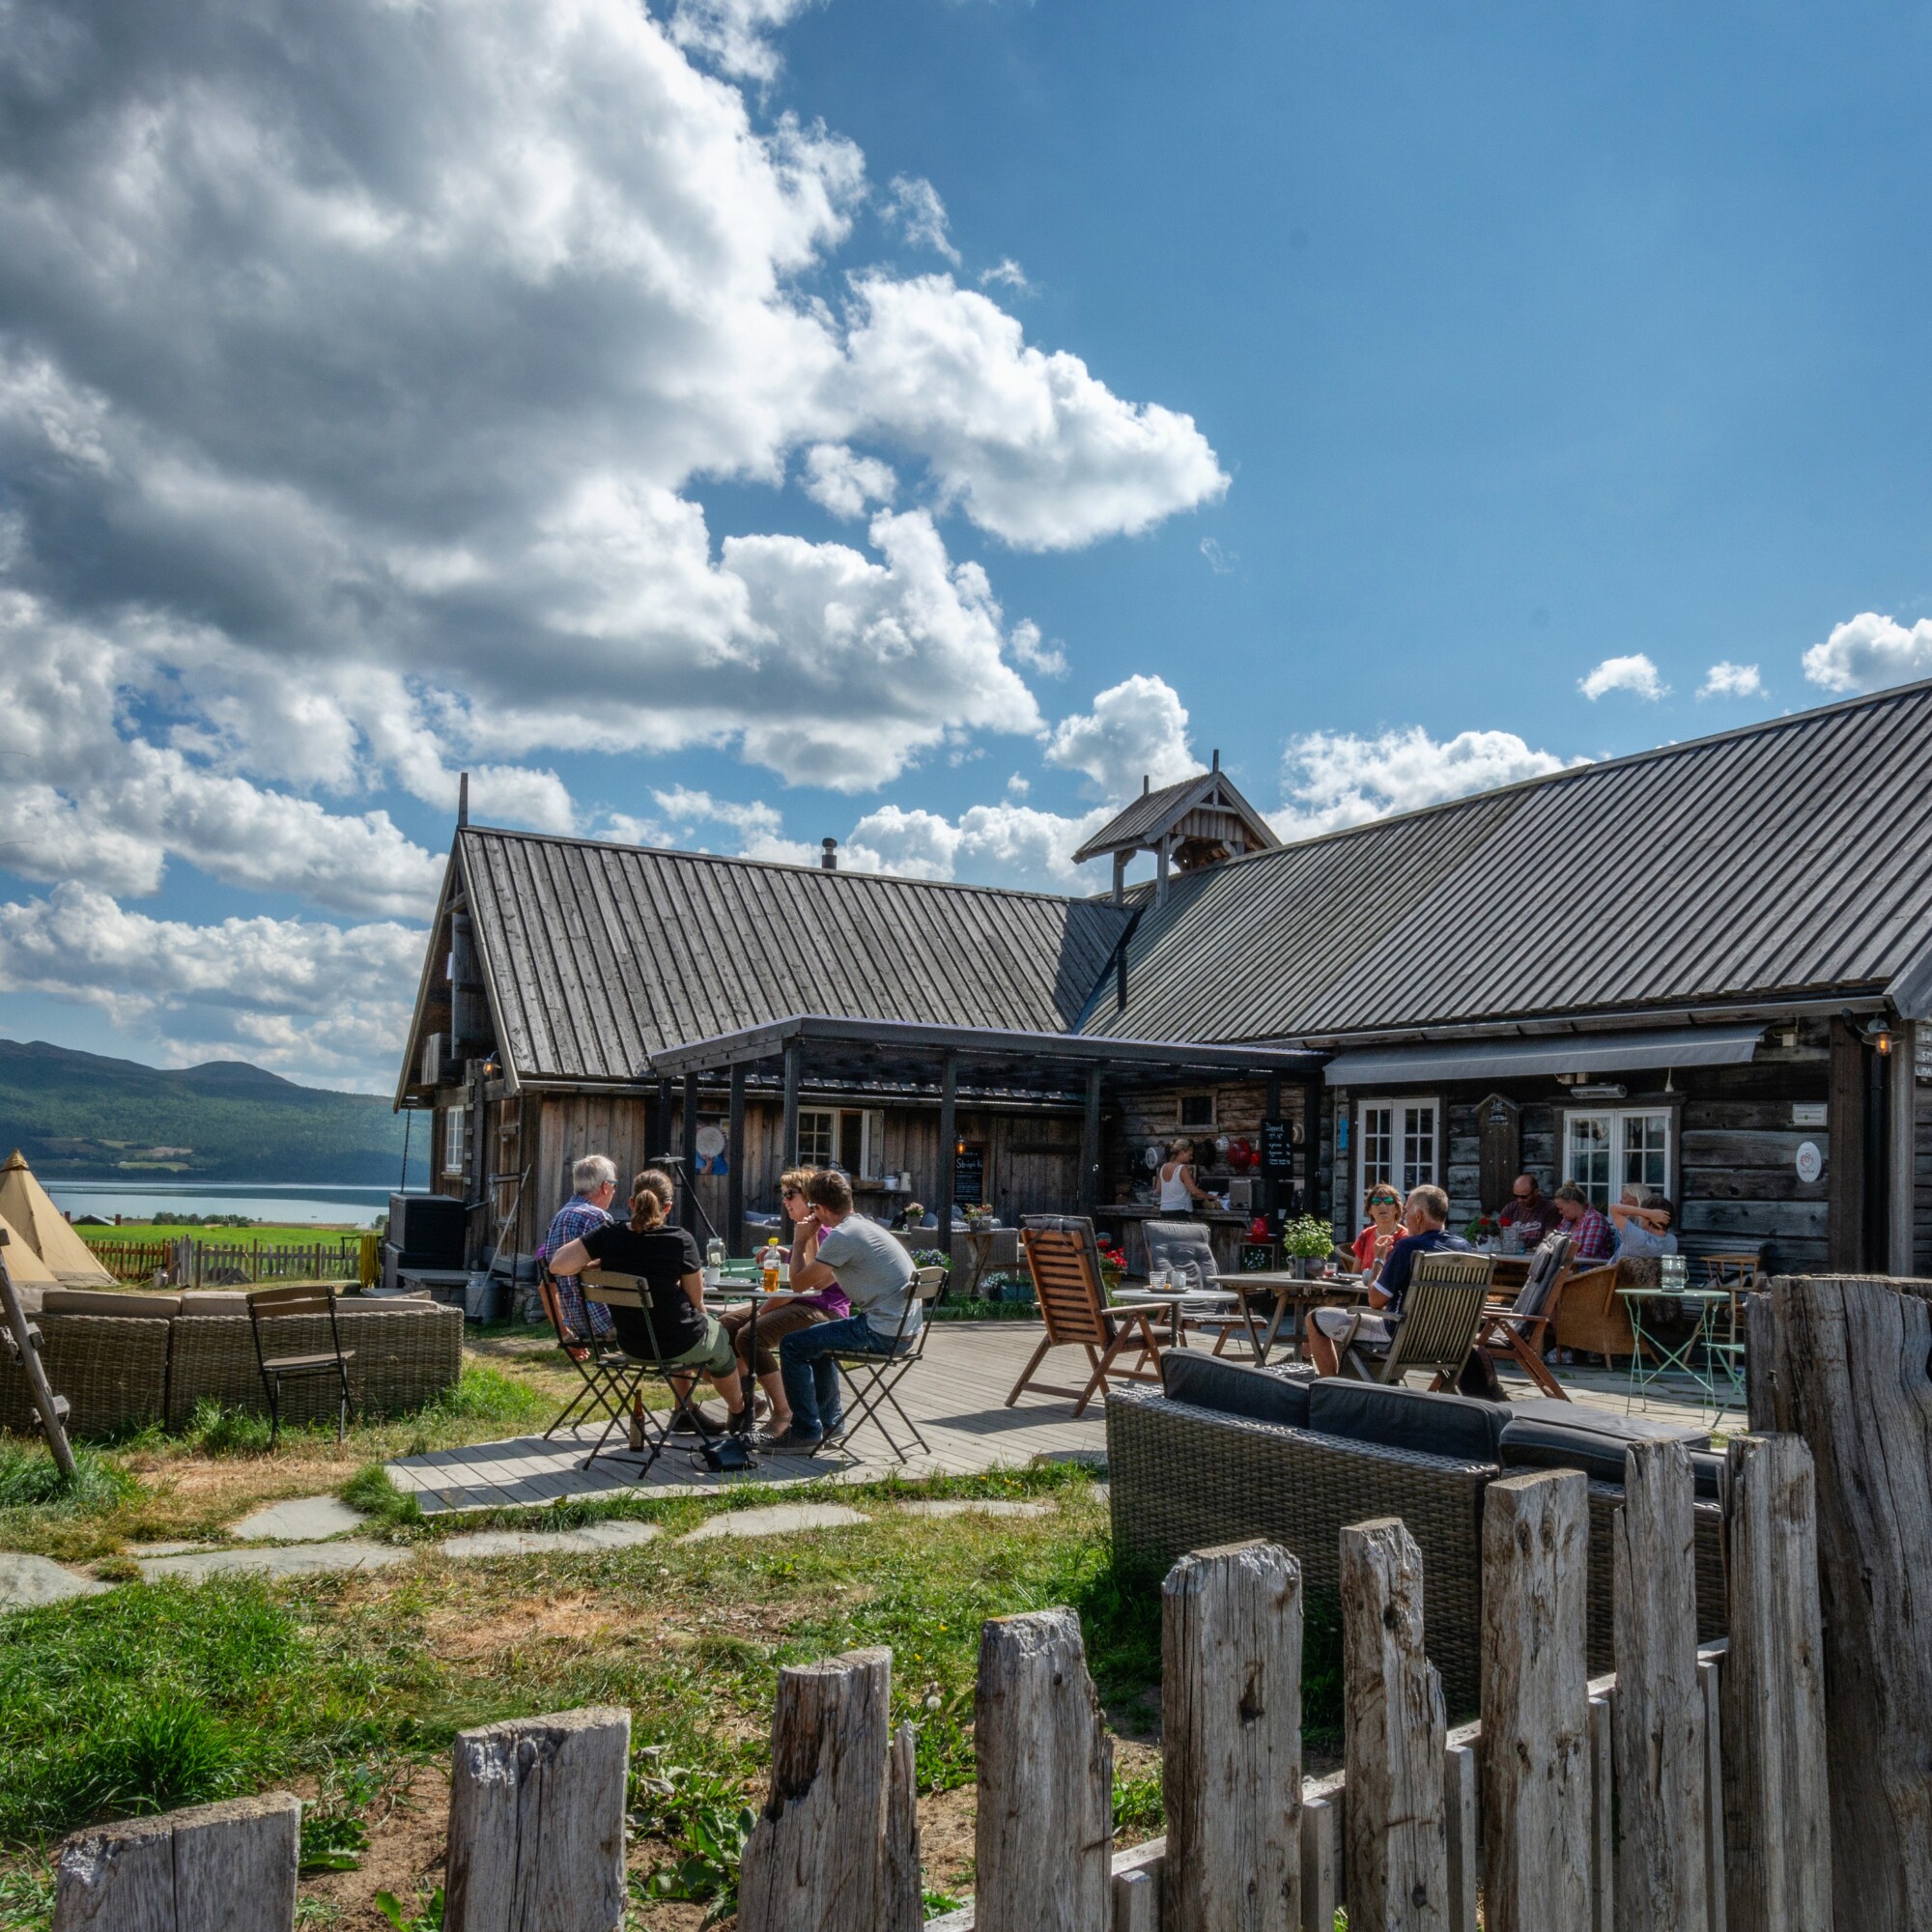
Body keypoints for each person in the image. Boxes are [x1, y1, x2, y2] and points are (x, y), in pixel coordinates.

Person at [548, 1168, 752, 1435]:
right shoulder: (679, 1240)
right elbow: (695, 1299)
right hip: (678, 1342)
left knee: (688, 1330)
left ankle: (684, 1410)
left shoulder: (609, 1236)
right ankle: (739, 1411)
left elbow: (558, 1265)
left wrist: (597, 1264)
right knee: (720, 1342)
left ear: (631, 1203)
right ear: (668, 1207)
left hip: (633, 1346)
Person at [765, 1168, 918, 1451]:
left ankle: (806, 1430)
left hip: (881, 1333)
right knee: (817, 1340)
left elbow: (798, 1284)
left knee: (792, 1345)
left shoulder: (843, 1236)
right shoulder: (866, 1228)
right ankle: (830, 1423)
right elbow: (819, 1280)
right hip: (903, 1332)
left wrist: (799, 1240)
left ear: (819, 1208)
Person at [716, 1168, 851, 1435]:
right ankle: (746, 1402)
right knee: (723, 1329)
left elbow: (806, 1285)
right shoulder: (806, 1231)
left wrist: (760, 1313)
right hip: (799, 1305)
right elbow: (800, 1274)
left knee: (748, 1336)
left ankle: (783, 1410)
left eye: (791, 1194)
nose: (785, 1201)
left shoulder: (822, 1232)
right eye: (783, 1195)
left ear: (810, 1199)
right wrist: (786, 1252)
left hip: (823, 1309)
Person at [1306, 1183, 1469, 1378]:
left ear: (1418, 1216)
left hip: (1401, 1335)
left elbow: (1375, 1301)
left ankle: (1330, 1387)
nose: (1405, 1216)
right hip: (1449, 1340)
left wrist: (1379, 1259)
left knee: (1314, 1318)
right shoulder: (1463, 1247)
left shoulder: (1408, 1247)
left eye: (1407, 1211)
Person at [540, 1154, 618, 1340]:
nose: (614, 1192)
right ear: (605, 1187)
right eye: (614, 1186)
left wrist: (565, 1335)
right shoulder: (600, 1219)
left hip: (574, 1323)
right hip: (604, 1321)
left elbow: (545, 1286)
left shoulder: (558, 1219)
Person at [1552, 1182, 1615, 1264]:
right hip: (1569, 1267)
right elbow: (1555, 1245)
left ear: (1572, 1204)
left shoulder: (1595, 1219)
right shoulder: (1567, 1221)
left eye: (1561, 1208)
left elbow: (1586, 1254)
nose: (1560, 1212)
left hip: (1591, 1270)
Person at [1352, 1183, 1405, 1278]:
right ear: (1369, 1210)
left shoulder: (1404, 1237)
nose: (1382, 1205)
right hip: (1363, 1290)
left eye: (1388, 1201)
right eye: (1376, 1201)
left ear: (1397, 1208)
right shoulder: (1365, 1235)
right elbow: (1355, 1274)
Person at [1608, 1188, 1678, 1260]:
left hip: (1614, 1270)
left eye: (1642, 1217)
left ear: (1650, 1218)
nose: (1640, 1218)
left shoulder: (1639, 1238)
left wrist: (1649, 1213)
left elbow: (1613, 1208)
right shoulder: (1672, 1241)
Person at [1498, 1174, 1560, 1249]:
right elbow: (1498, 1233)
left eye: (1524, 1197)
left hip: (1536, 1255)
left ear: (1536, 1192)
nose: (1519, 1200)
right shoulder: (1510, 1208)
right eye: (1516, 1196)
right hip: (1512, 1253)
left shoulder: (1549, 1209)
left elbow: (1549, 1239)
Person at [1158, 1139, 1212, 1216]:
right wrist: (1212, 1197)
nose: (1191, 1158)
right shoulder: (1182, 1168)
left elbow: (1158, 1190)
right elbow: (1194, 1192)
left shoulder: (1163, 1167)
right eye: (1190, 1155)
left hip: (1164, 1211)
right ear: (1182, 1152)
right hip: (1180, 1211)